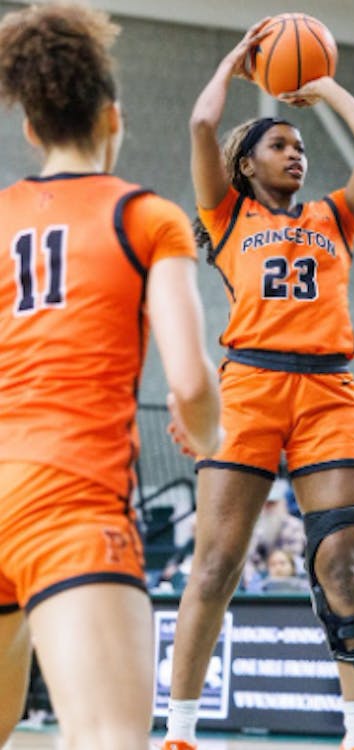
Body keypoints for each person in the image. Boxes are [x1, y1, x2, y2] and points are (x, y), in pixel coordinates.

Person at [164, 18, 354, 750]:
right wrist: (235, 63)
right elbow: (202, 123)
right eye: (280, 146)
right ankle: (178, 733)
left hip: (329, 394)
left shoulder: (337, 216)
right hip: (250, 390)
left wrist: (323, 86)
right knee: (214, 567)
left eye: (301, 147)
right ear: (247, 163)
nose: (297, 154)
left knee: (344, 565)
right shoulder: (225, 214)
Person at [0, 5, 221, 749]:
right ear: (113, 117)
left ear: (31, 129)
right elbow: (190, 383)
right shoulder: (147, 217)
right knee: (109, 739)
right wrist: (208, 436)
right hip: (69, 498)